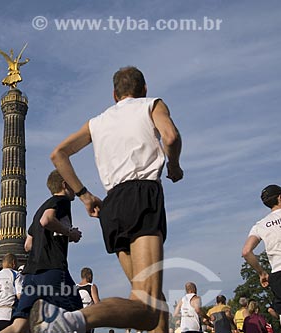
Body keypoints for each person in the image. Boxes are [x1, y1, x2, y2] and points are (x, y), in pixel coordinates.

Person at [31, 66, 183, 333]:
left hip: (110, 207)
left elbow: (59, 154)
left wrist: (84, 195)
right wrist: (174, 165)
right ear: (144, 89)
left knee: (154, 302)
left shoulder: (96, 122)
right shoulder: (151, 105)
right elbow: (170, 137)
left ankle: (71, 319)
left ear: (114, 94)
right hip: (142, 195)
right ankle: (72, 319)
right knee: (146, 306)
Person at [0, 169, 83, 333]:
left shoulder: (40, 209)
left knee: (17, 327)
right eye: (73, 183)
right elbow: (47, 220)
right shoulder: (61, 201)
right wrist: (69, 233)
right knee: (82, 315)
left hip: (31, 276)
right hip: (52, 269)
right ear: (65, 184)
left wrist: (51, 238)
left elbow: (28, 245)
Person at [242, 185, 281, 333]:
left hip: (278, 275)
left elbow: (246, 251)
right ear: (280, 198)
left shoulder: (260, 225)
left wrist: (262, 273)